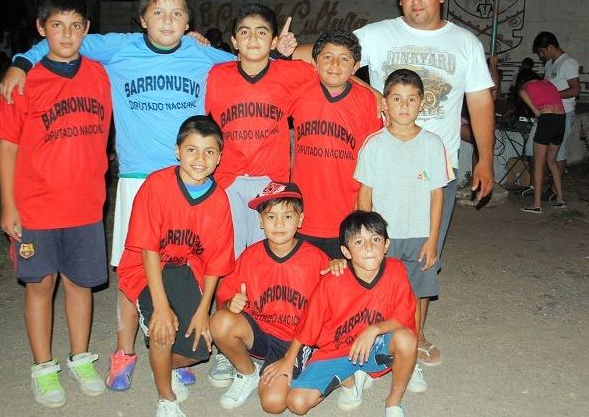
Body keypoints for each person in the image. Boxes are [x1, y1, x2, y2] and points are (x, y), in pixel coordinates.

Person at [0, 0, 239, 391]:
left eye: (177, 13)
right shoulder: (116, 47)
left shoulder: (204, 55)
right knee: (133, 272)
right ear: (142, 18)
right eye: (159, 12)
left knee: (185, 266)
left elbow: (251, 63)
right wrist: (21, 61)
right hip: (135, 180)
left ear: (189, 21)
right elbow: (59, 38)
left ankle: (178, 348)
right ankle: (124, 351)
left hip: (189, 180)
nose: (168, 21)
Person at [346, 0, 496, 366]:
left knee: (426, 255)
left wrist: (485, 159)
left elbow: (480, 102)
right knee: (378, 252)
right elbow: (330, 56)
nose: (416, 0)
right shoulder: (378, 34)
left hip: (434, 170)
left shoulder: (464, 42)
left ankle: (414, 332)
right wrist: (368, 89)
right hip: (386, 168)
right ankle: (373, 328)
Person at [0, 0, 112, 408]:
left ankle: (81, 358)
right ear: (42, 30)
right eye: (57, 25)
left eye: (76, 26)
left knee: (80, 285)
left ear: (87, 30)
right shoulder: (23, 81)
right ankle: (43, 367)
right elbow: (7, 146)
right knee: (41, 284)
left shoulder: (99, 74)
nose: (67, 34)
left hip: (86, 205)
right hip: (37, 205)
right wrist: (9, 204)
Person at [115, 115, 235, 417]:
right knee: (163, 330)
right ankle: (165, 400)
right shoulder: (157, 185)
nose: (200, 158)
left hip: (185, 268)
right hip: (145, 269)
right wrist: (161, 307)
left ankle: (164, 365)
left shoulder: (219, 199)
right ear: (177, 151)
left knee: (200, 348)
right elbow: (148, 249)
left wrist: (202, 312)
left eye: (209, 151)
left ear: (219, 157)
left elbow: (215, 263)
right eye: (191, 149)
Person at [354, 68, 454, 392]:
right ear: (385, 103)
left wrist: (433, 239)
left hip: (419, 236)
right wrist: (365, 241)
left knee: (416, 295)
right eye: (396, 99)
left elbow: (437, 193)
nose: (404, 106)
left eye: (411, 99)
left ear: (421, 103)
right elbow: (364, 194)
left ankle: (409, 357)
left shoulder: (432, 144)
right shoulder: (374, 145)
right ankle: (373, 358)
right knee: (377, 295)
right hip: (383, 239)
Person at [262, 210, 417, 417]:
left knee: (407, 339)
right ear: (346, 251)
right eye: (359, 242)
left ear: (386, 245)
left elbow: (405, 315)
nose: (369, 247)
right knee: (297, 404)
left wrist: (374, 329)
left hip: (375, 343)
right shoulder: (333, 279)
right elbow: (310, 323)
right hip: (338, 349)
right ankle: (350, 379)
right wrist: (289, 359)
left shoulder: (396, 270)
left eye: (376, 239)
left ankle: (393, 402)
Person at [209, 181, 329, 411]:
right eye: (271, 217)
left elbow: (329, 311)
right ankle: (247, 373)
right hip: (261, 334)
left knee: (273, 404)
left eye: (287, 216)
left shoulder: (316, 259)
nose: (279, 224)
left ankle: (328, 371)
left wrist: (290, 357)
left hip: (296, 340)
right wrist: (229, 304)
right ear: (260, 222)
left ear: (300, 220)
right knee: (220, 321)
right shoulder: (250, 255)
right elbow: (225, 298)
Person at [206, 4, 313, 258]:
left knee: (263, 254)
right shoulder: (216, 76)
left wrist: (374, 94)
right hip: (227, 179)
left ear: (274, 40)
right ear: (233, 40)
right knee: (226, 255)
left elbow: (331, 65)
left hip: (269, 180)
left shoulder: (289, 74)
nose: (253, 39)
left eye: (262, 32)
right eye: (244, 32)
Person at [289, 30, 383, 259]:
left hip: (345, 213)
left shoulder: (368, 101)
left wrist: (364, 212)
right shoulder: (299, 90)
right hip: (302, 213)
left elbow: (373, 163)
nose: (334, 64)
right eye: (327, 57)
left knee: (342, 285)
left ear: (356, 67)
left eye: (344, 58)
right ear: (314, 62)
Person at [532, 31, 580, 184]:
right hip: (548, 113)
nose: (540, 56)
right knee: (533, 149)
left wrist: (553, 96)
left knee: (558, 153)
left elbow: (575, 90)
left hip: (564, 113)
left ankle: (555, 189)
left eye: (541, 51)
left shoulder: (568, 63)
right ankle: (540, 184)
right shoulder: (550, 63)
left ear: (550, 47)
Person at [516, 69, 566, 213]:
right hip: (561, 120)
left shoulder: (526, 87)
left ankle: (536, 205)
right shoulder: (548, 83)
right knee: (552, 161)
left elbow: (522, 94)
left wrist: (536, 112)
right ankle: (560, 200)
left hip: (547, 120)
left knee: (538, 164)